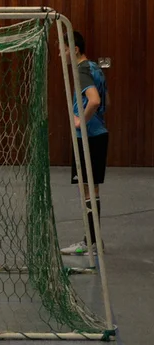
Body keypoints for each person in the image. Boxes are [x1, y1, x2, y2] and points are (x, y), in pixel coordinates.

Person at [61, 31, 108, 257]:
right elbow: (107, 100)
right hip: (99, 134)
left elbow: (95, 100)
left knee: (87, 189)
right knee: (92, 188)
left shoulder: (81, 71)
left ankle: (90, 243)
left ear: (75, 49)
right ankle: (94, 241)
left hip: (88, 136)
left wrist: (81, 121)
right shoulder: (95, 67)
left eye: (63, 50)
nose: (61, 54)